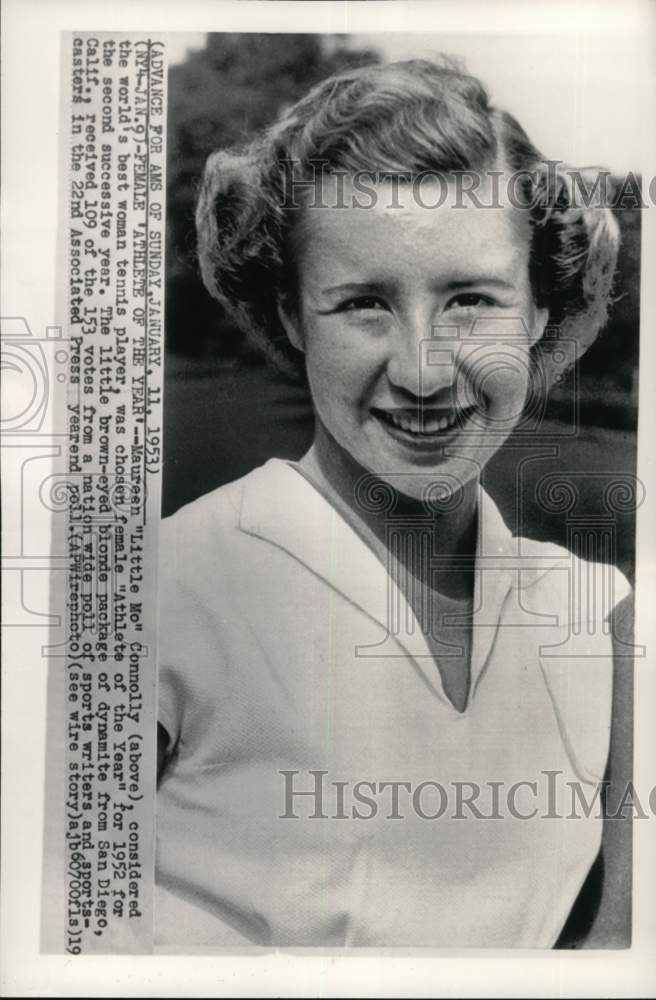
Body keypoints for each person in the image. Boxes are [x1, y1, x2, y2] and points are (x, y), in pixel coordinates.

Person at [155, 58, 634, 949]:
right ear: (294, 317)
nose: (422, 371)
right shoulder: (165, 588)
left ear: (537, 311)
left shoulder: (601, 616)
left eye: (471, 301)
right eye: (364, 303)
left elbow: (620, 959)